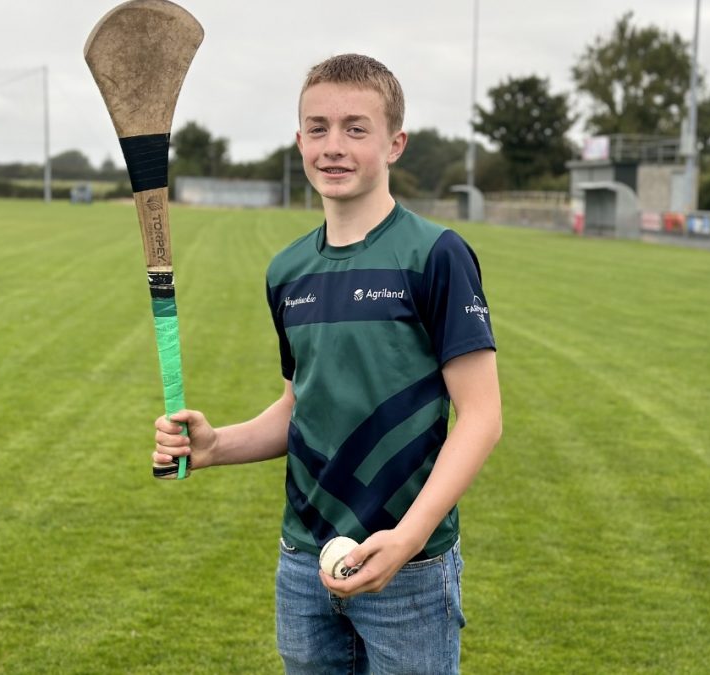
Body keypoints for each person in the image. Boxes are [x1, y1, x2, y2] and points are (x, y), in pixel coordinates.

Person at [154, 53, 502, 674]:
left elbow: (481, 417)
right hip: (303, 561)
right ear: (300, 142)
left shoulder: (436, 255)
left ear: (394, 144)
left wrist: (408, 539)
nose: (333, 146)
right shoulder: (287, 271)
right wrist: (216, 446)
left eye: (355, 129)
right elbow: (299, 405)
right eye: (318, 128)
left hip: (410, 566)